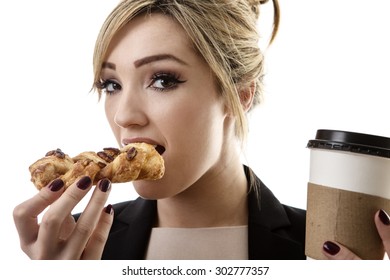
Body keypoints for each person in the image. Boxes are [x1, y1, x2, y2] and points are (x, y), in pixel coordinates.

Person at [13, 0, 390, 260]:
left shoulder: (326, 251)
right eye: (111, 85)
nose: (124, 116)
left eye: (162, 80)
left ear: (239, 95)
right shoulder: (72, 247)